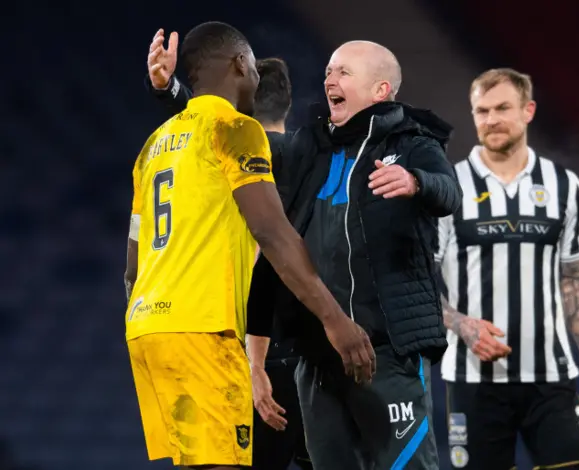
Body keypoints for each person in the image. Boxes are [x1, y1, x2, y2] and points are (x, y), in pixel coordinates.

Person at [144, 34, 462, 470]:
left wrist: (417, 182)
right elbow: (222, 136)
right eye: (329, 70)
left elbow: (450, 193)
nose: (330, 78)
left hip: (387, 352)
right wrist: (172, 94)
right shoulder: (307, 148)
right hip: (318, 360)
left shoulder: (412, 144)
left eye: (344, 72)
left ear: (380, 90)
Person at [124, 22, 375, 469]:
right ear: (240, 64)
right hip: (204, 328)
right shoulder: (238, 129)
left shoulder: (152, 147)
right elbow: (272, 232)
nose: (257, 81)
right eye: (253, 68)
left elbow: (131, 267)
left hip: (147, 327)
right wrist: (335, 320)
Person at [145, 29, 311, 470]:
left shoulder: (201, 142)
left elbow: (199, 119)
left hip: (216, 335)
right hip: (286, 347)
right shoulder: (300, 154)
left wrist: (169, 90)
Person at [436, 68, 579, 470]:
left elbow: (575, 280)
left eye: (502, 108)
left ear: (528, 110)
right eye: (481, 111)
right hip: (473, 381)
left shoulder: (563, 185)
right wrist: (463, 325)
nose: (491, 119)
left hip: (553, 377)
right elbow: (422, 283)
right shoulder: (448, 186)